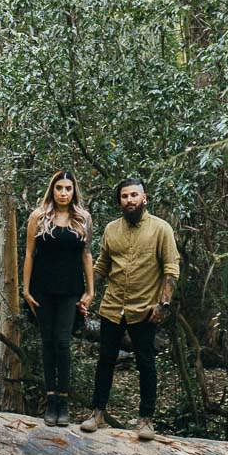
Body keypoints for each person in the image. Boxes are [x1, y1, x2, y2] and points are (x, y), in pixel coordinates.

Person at [79, 177, 179, 441]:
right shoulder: (112, 229)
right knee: (105, 361)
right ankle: (97, 414)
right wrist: (88, 293)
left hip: (144, 309)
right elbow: (101, 266)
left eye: (134, 195)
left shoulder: (161, 229)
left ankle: (145, 420)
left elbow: (171, 269)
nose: (129, 200)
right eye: (124, 196)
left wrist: (163, 304)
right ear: (119, 201)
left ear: (144, 198)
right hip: (112, 307)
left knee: (146, 363)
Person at [21, 169, 94, 427]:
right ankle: (50, 400)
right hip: (42, 289)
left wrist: (91, 290)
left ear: (74, 191)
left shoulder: (82, 218)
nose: (63, 193)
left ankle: (64, 401)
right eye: (59, 188)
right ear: (52, 190)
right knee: (47, 342)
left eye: (68, 189)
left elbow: (86, 254)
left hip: (70, 289)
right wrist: (25, 289)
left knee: (63, 343)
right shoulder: (38, 217)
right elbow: (30, 253)